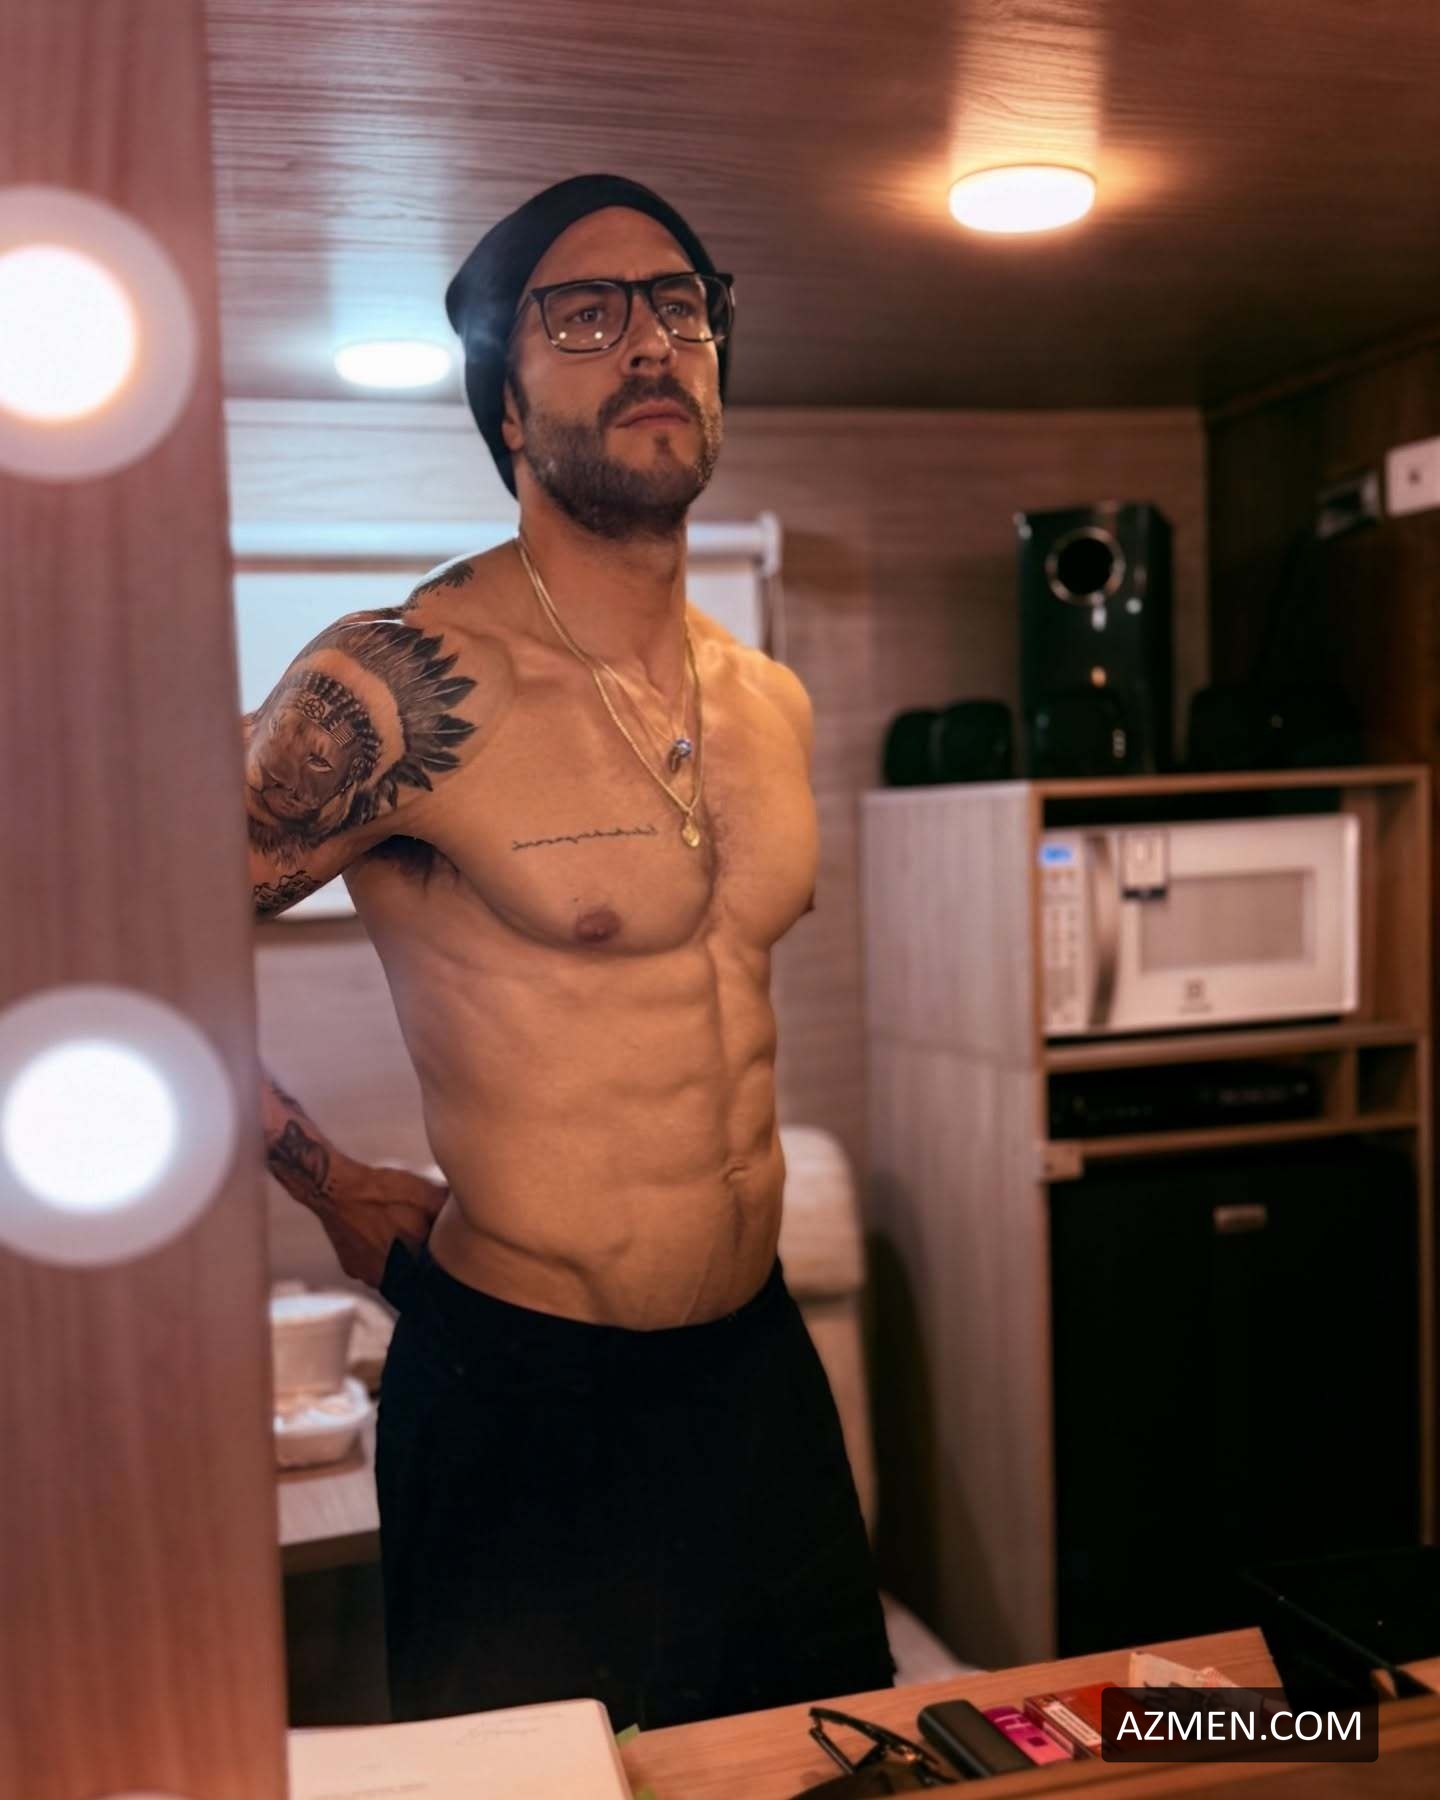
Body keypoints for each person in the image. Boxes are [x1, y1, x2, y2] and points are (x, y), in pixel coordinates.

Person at [247, 173, 895, 1730]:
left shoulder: (769, 700)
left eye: (680, 307)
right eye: (586, 316)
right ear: (507, 405)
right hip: (519, 1394)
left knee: (827, 1760)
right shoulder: (397, 682)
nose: (652, 343)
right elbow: (113, 945)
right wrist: (322, 1181)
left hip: (754, 1371)